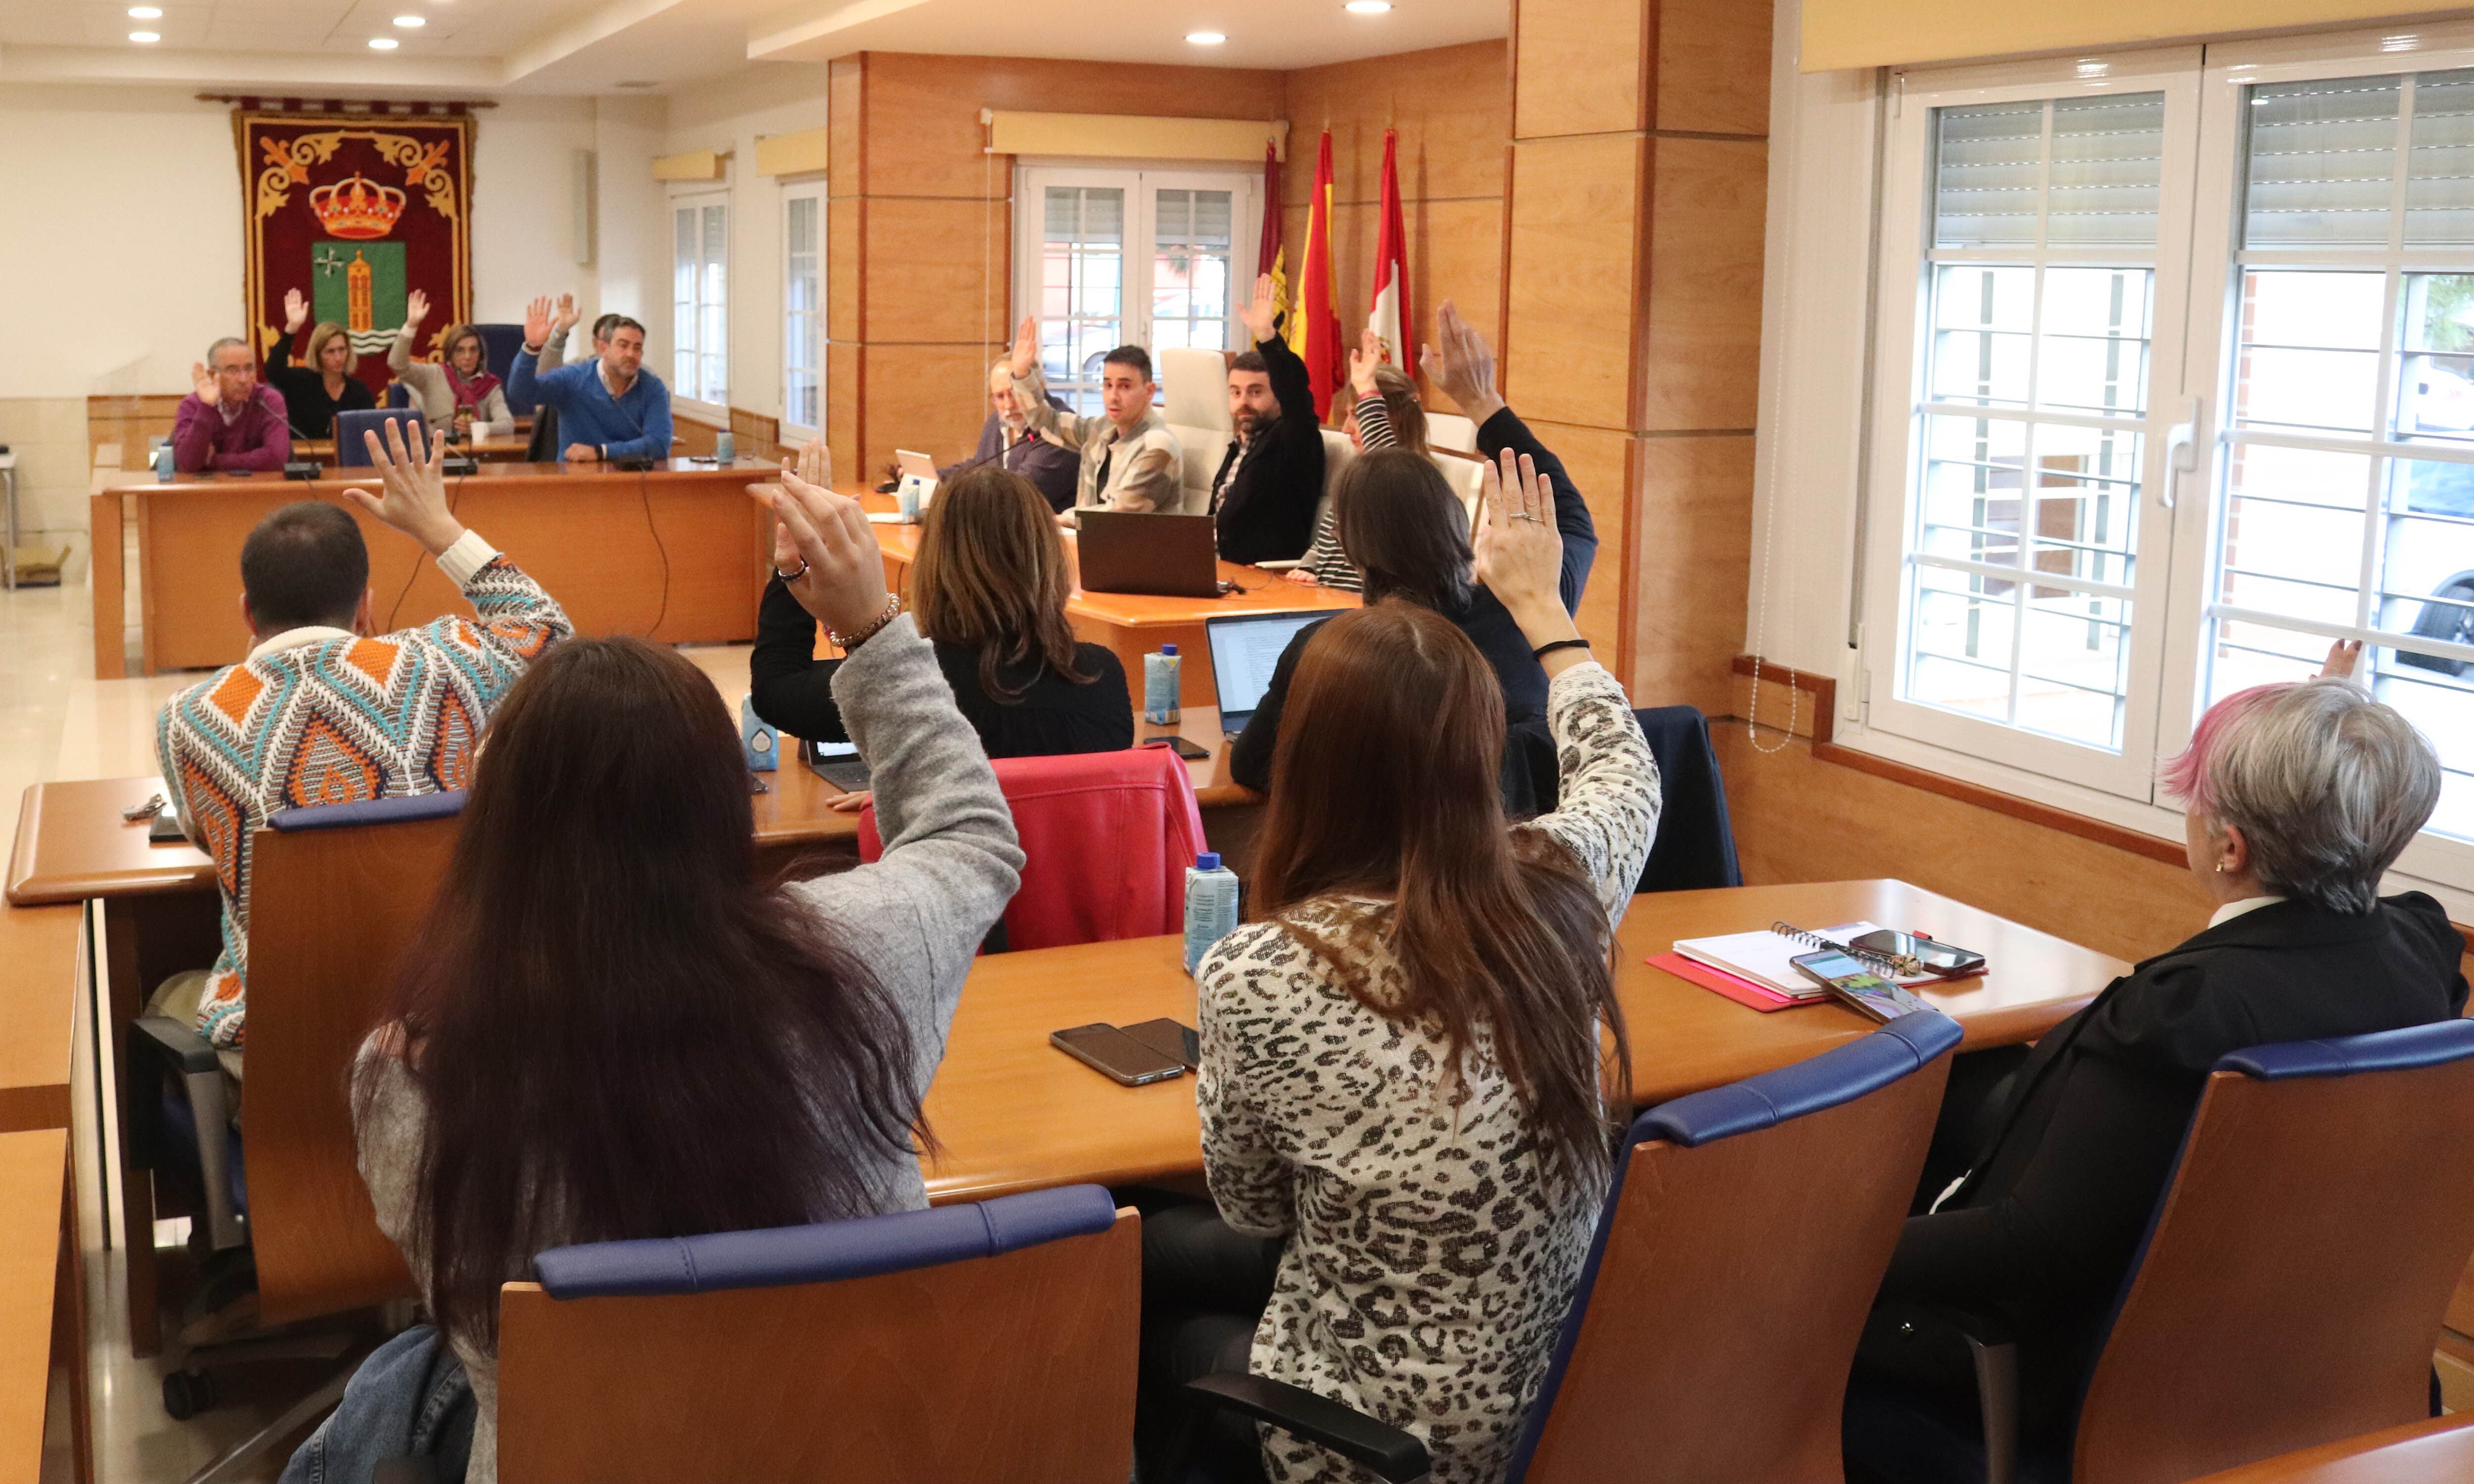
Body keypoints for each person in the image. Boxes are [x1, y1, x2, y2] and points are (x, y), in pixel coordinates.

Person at [341, 458, 1024, 1484]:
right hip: (846, 1445)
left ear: (495, 828)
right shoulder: (857, 951)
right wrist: (876, 626)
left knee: (389, 1392)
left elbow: (465, 1306)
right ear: (725, 805)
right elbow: (972, 836)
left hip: (582, 1453)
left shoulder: (415, 1065)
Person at [1139, 449, 1663, 1484]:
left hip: (1376, 1443)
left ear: (1310, 766)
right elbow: (1623, 766)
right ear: (1478, 752)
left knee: (1138, 1288)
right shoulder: (1560, 886)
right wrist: (1540, 608)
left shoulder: (1257, 971)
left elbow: (1252, 1210)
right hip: (1562, 1403)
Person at [1856, 659, 2467, 1445]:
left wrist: (1830, 1250)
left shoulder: (2182, 1018)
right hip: (2311, 1363)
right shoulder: (2422, 954)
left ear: (2231, 848)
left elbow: (2026, 1249)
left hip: (2069, 1385)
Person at [153, 420, 572, 1051]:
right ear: (365, 606)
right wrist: (439, 528)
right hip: (444, 1027)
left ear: (247, 611)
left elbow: (211, 838)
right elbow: (547, 632)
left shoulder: (187, 717)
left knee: (165, 993)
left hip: (281, 1042)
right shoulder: (442, 664)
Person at [1229, 304, 1594, 812]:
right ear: (1454, 525)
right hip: (1528, 865)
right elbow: (1574, 521)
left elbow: (1250, 766)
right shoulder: (1527, 618)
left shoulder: (1328, 650)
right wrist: (1483, 402)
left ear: (1355, 554)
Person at [750, 442, 1132, 785]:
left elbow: (775, 690)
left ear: (934, 562)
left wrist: (796, 562)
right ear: (1050, 558)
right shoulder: (1102, 678)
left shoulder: (911, 683)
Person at [1289, 328, 1430, 593]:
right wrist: (1308, 568)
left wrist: (1367, 388)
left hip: (1371, 616)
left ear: (1394, 417)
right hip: (1325, 602)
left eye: (1356, 415)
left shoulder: (1410, 480)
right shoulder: (1359, 473)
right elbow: (1325, 544)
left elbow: (1387, 463)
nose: (1345, 429)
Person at [1003, 315, 1184, 515]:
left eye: (1125, 386)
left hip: (1134, 544)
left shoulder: (1158, 447)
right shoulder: (1101, 428)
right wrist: (1021, 373)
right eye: (1108, 385)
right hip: (1091, 542)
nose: (1113, 397)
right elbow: (1047, 422)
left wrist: (1057, 520)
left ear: (1149, 391)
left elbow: (1119, 516)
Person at [1209, 274, 1325, 565]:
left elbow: (1297, 398)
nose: (1243, 402)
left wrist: (1268, 339)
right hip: (1216, 566)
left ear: (1278, 396)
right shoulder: (1239, 446)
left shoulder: (1293, 441)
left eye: (1256, 391)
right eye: (1235, 392)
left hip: (1264, 576)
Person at [506, 299, 672, 464]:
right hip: (576, 479)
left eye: (637, 348)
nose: (630, 354)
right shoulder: (574, 378)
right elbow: (521, 392)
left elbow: (660, 444)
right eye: (623, 345)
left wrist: (601, 452)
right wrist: (532, 348)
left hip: (630, 479)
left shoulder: (653, 387)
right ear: (603, 349)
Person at [942, 360, 1080, 512]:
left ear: (1037, 387)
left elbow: (1018, 494)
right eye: (1000, 397)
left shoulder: (1059, 429)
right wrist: (936, 479)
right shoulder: (998, 421)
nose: (1008, 406)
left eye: (1015, 394)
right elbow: (980, 465)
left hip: (1043, 531)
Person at [389, 290, 514, 439]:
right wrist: (411, 326)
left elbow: (507, 425)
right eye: (460, 350)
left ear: (480, 354)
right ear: (450, 354)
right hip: (439, 452)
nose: (467, 357)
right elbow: (396, 364)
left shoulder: (489, 385)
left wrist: (477, 428)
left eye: (473, 350)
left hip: (478, 453)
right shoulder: (432, 375)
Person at [262, 288, 376, 440]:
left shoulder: (359, 391)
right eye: (330, 351)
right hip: (304, 460)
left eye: (342, 350)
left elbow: (370, 432)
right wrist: (292, 328)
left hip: (347, 461)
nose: (338, 357)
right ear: (318, 354)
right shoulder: (301, 382)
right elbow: (273, 371)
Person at [173, 337, 292, 473]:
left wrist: (212, 461)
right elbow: (187, 464)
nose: (243, 379)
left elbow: (276, 459)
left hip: (257, 490)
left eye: (249, 369)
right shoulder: (193, 405)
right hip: (209, 491)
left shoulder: (268, 400)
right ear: (212, 375)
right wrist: (207, 407)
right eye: (232, 370)